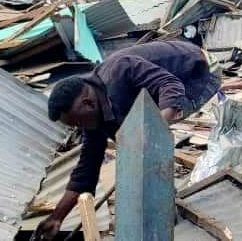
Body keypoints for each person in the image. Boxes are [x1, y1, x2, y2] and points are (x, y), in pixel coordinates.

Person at [34, 41, 220, 240]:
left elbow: (170, 86)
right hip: (163, 88)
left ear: (87, 103)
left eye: (78, 122)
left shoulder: (120, 69)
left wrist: (152, 133)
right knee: (131, 139)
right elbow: (86, 171)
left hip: (199, 71)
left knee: (145, 139)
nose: (79, 128)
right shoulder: (94, 117)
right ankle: (162, 199)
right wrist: (57, 218)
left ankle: (165, 207)